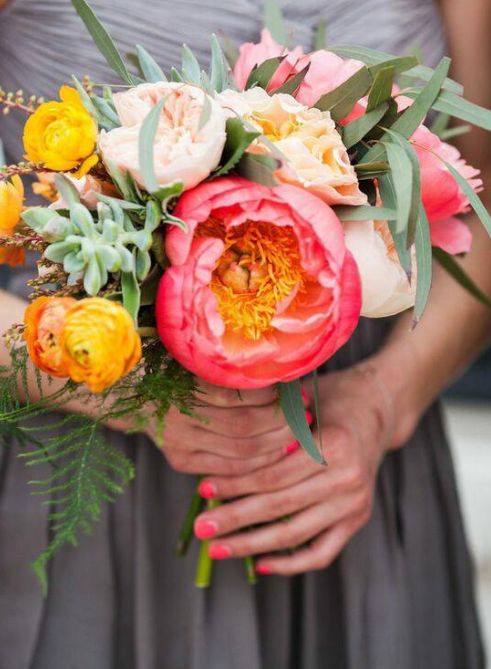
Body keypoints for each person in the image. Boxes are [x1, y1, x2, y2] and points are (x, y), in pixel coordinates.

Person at [0, 0, 490, 667]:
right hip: (82, 477)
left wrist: (380, 401)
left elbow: (478, 202)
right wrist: (134, 394)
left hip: (350, 469)